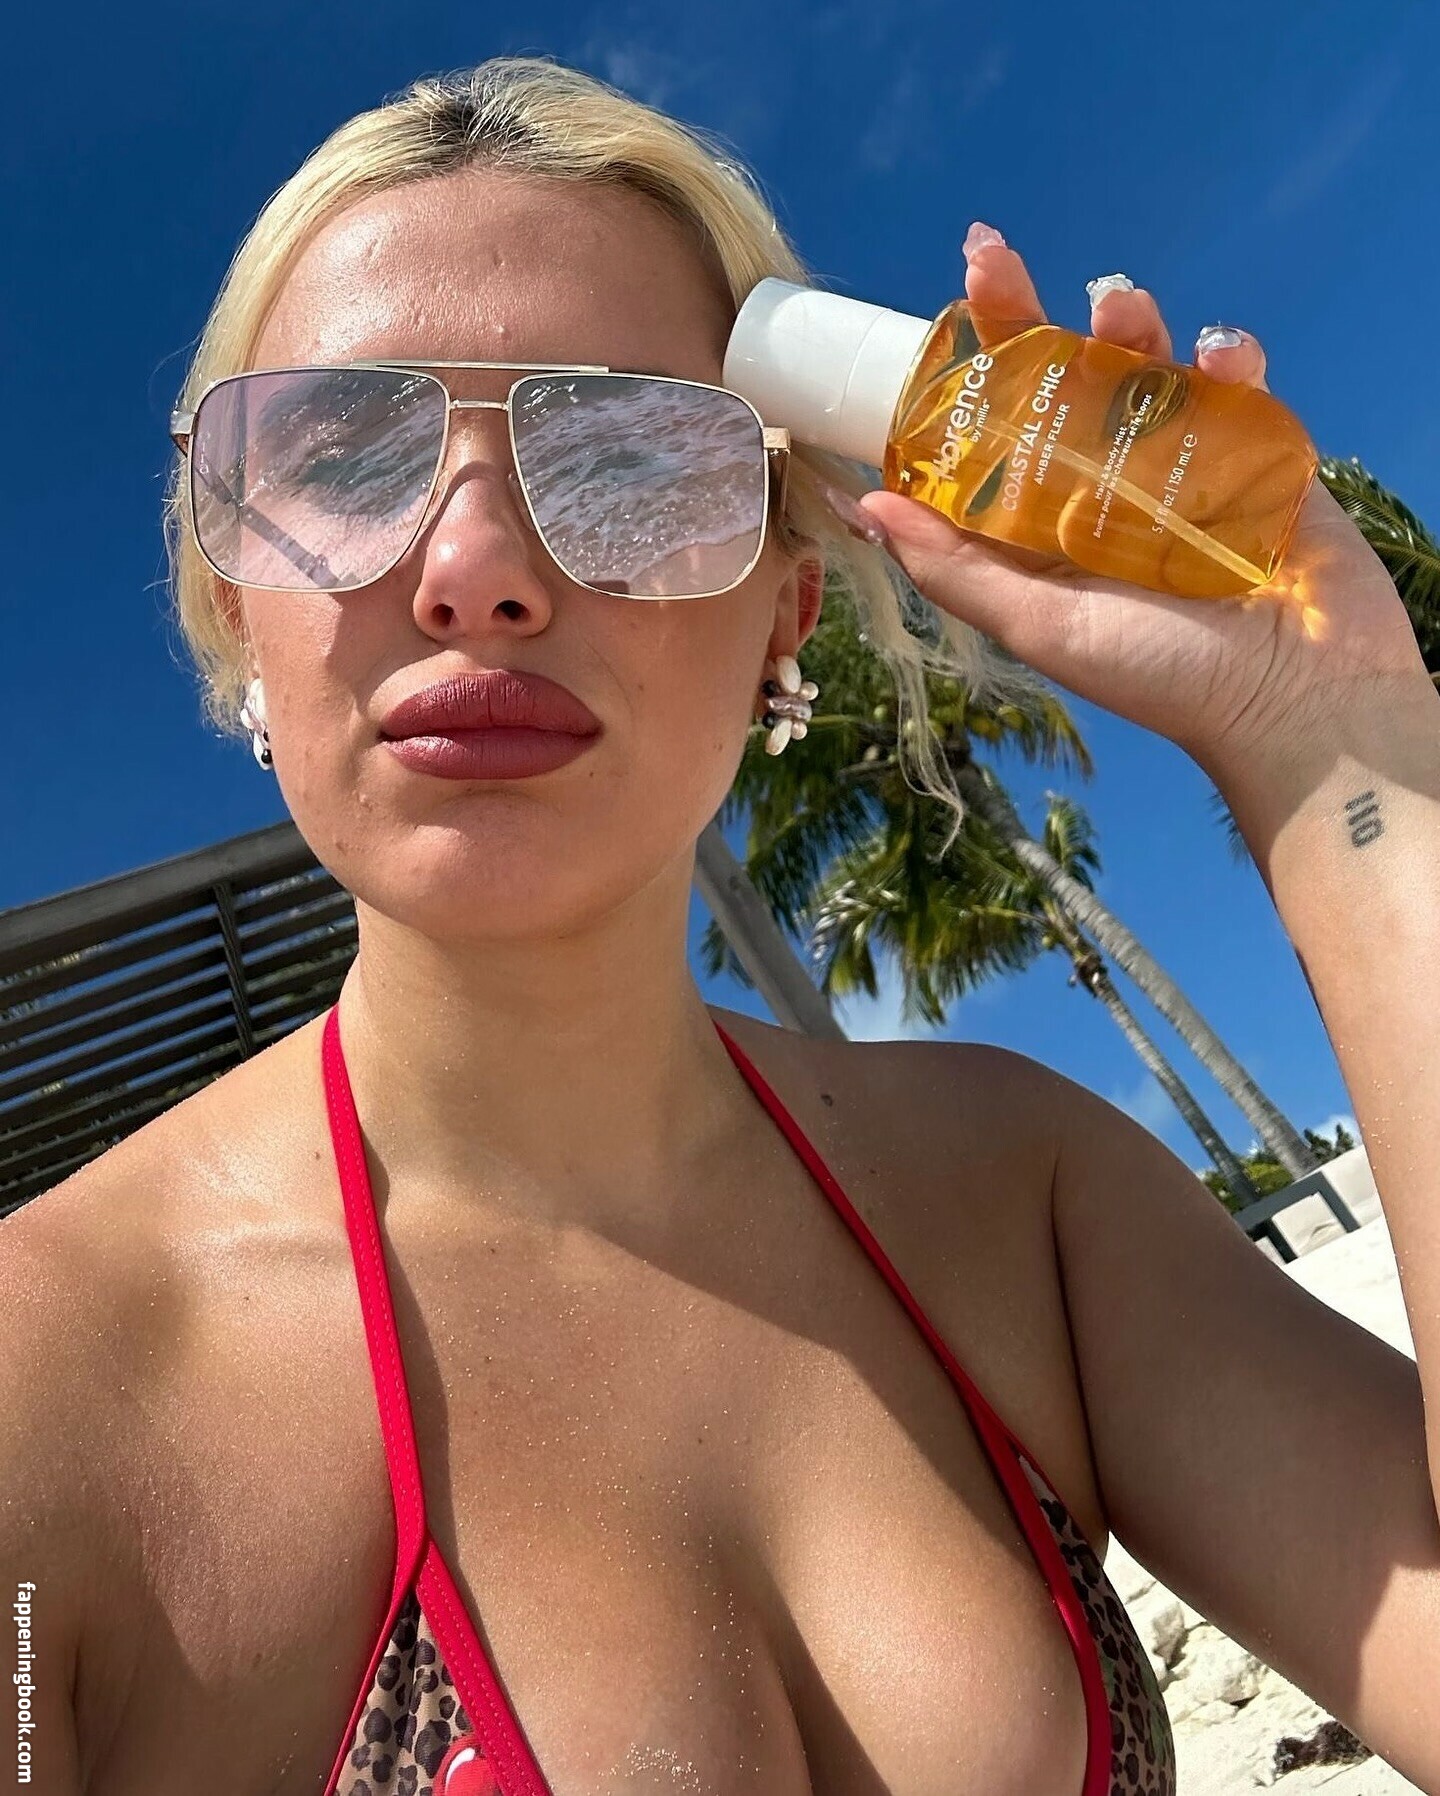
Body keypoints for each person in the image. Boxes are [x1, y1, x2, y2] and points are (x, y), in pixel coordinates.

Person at [4, 52, 1439, 1796]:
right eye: (341, 454)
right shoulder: (48, 1390)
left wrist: (1332, 750)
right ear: (242, 607)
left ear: (782, 617)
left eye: (621, 458)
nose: (475, 568)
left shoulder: (1026, 1205)